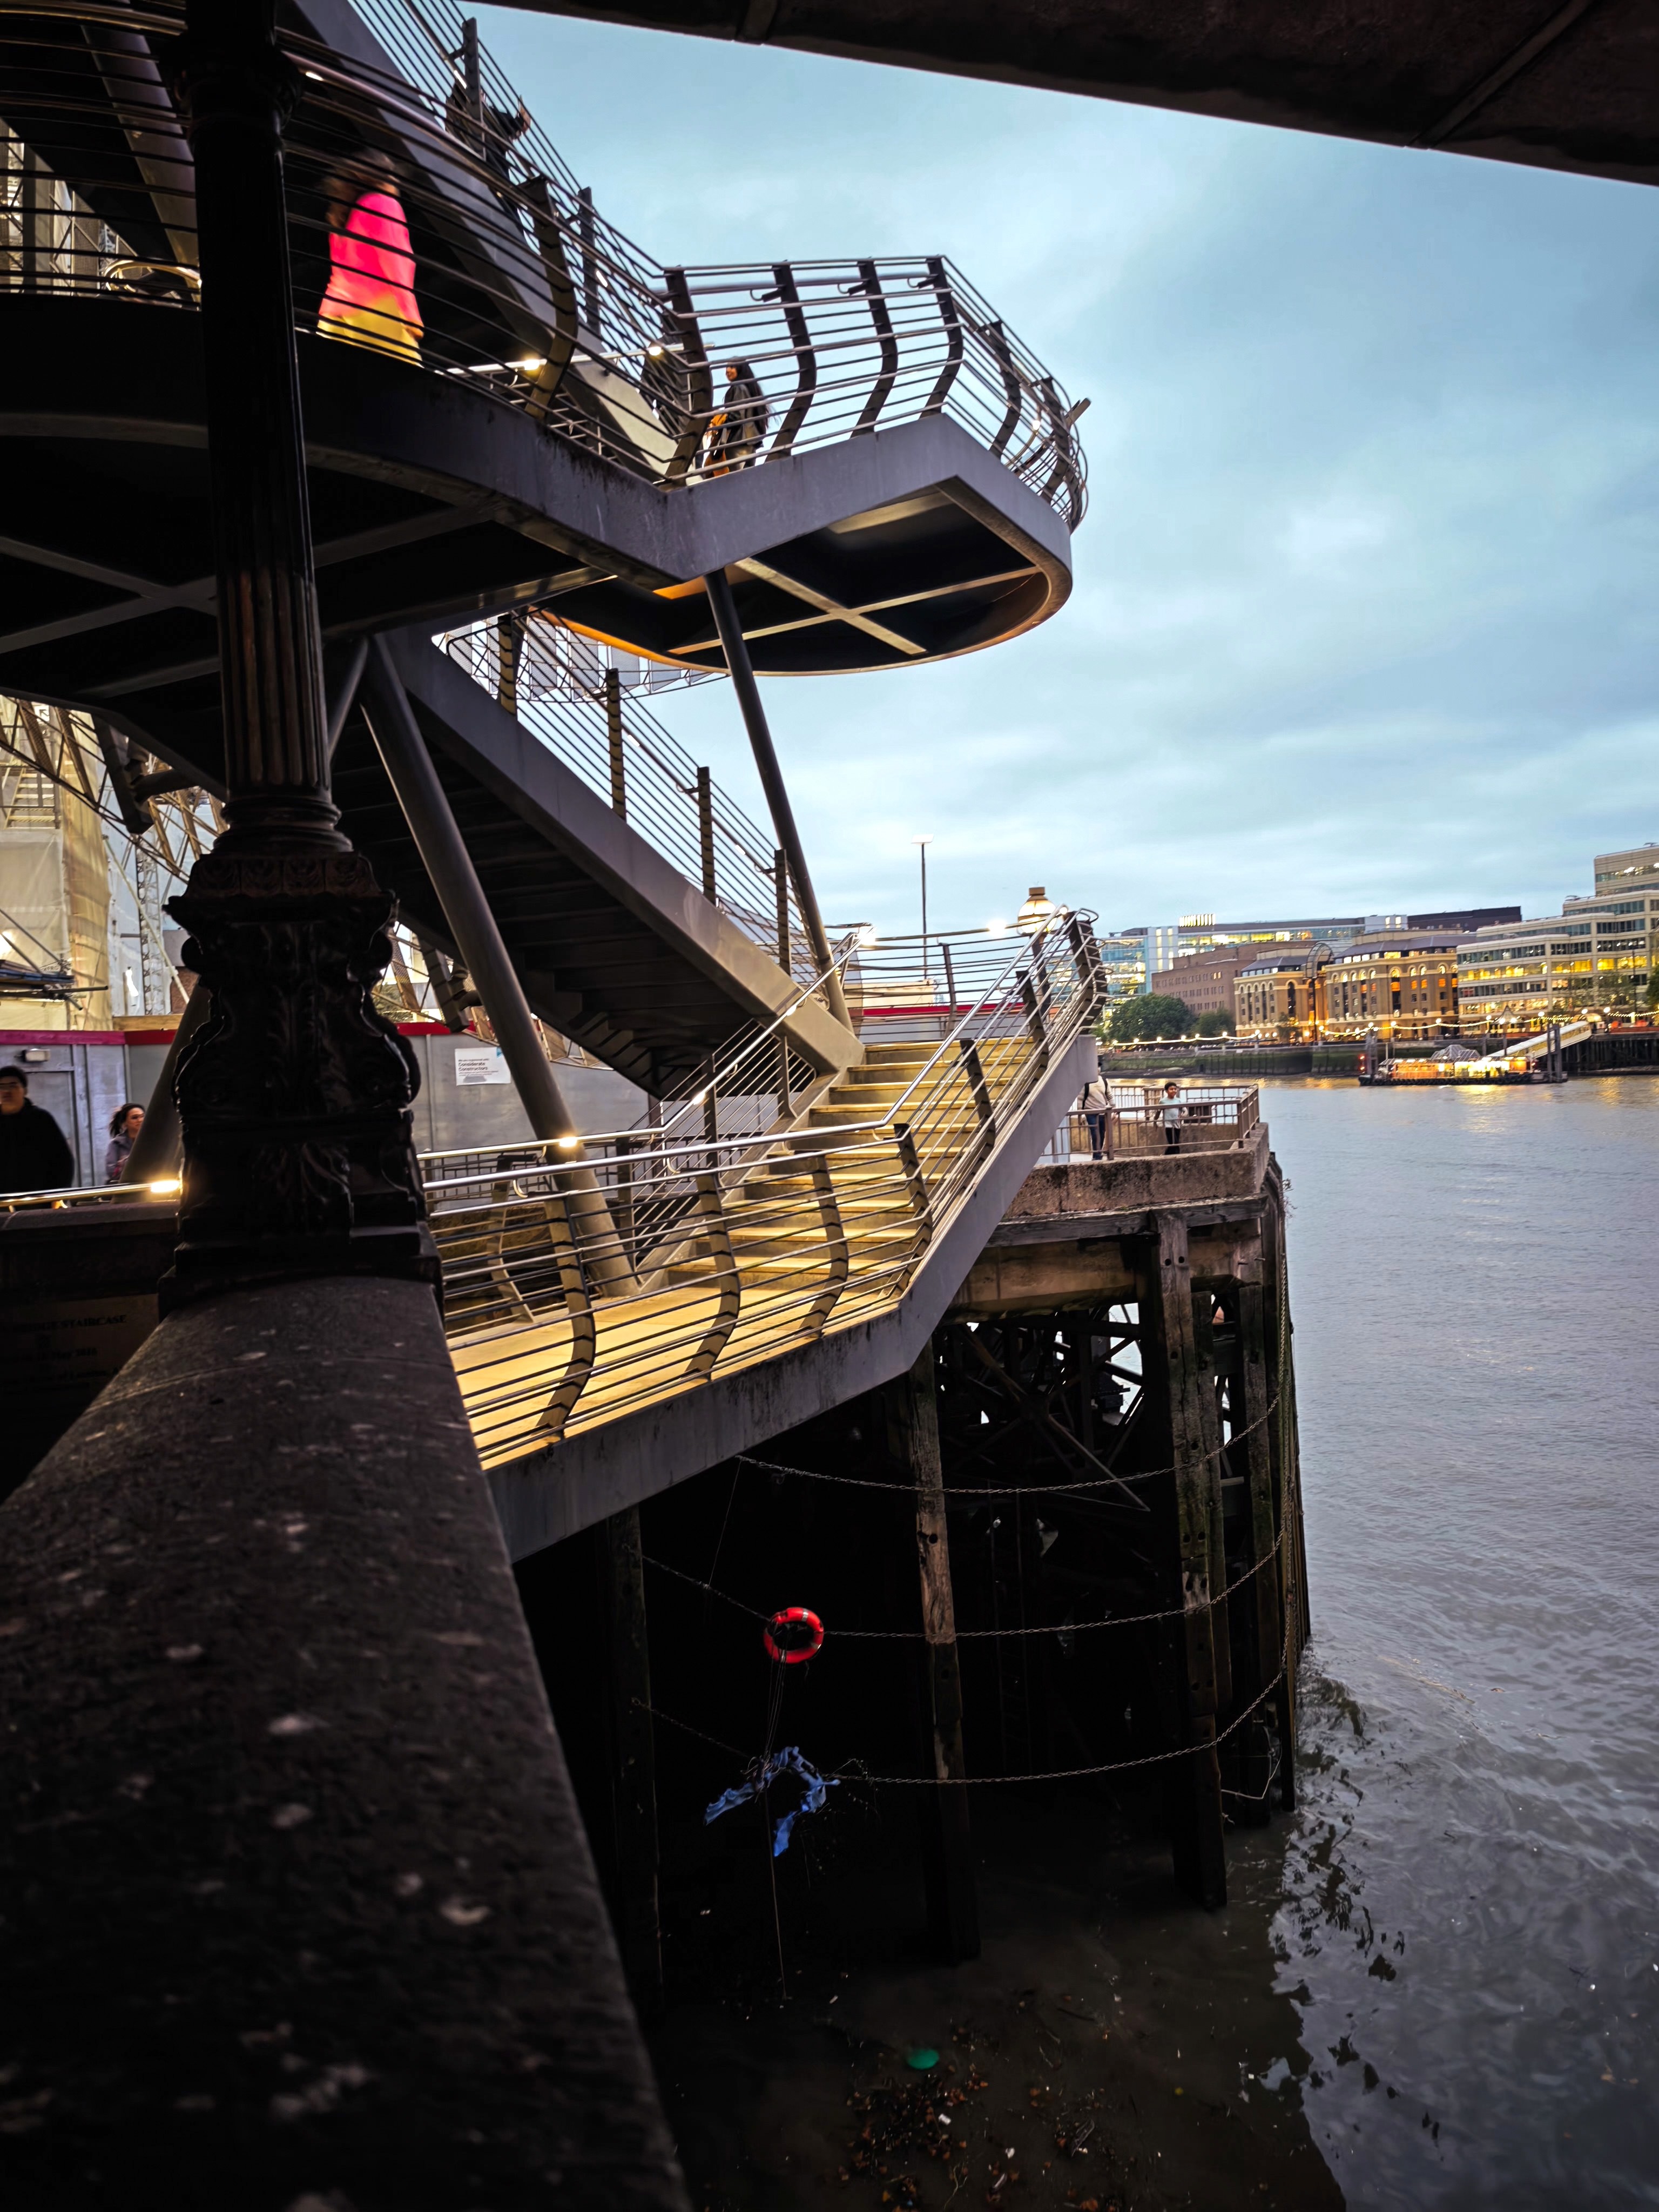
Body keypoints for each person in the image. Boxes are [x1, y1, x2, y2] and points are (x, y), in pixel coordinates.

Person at [317, 157, 423, 366]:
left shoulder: (343, 217)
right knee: (408, 377)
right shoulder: (382, 203)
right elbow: (395, 259)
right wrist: (409, 312)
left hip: (333, 312)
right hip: (375, 307)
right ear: (382, 180)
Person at [0, 1064, 76, 1194]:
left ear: (25, 1091)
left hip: (38, 1199)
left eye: (13, 1086)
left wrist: (57, 1196)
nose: (7, 1091)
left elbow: (63, 1161)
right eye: (2, 1087)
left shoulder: (40, 1119)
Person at [704, 360, 768, 474]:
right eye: (727, 368)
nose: (727, 370)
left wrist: (720, 424)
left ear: (740, 370)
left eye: (732, 367)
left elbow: (737, 415)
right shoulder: (746, 389)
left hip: (739, 440)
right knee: (746, 477)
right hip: (749, 441)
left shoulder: (739, 387)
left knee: (733, 476)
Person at [105, 1100, 144, 1184]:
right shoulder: (116, 1144)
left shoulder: (153, 1139)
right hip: (127, 1186)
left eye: (142, 1116)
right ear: (125, 1123)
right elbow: (112, 1173)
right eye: (135, 1118)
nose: (140, 1120)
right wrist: (127, 1162)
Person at [1080, 1068, 1109, 1160]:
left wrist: (1113, 1108)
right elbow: (1080, 1099)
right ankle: (1097, 1155)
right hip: (1090, 1112)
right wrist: (1080, 1113)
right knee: (1095, 1133)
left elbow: (1109, 1095)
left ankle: (1098, 1152)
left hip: (1102, 1112)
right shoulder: (1086, 1083)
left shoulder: (1104, 1081)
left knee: (1102, 1133)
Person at [1161, 1080, 1184, 1154]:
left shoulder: (1179, 1101)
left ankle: (1166, 1156)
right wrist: (1155, 1121)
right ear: (1166, 1091)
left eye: (1175, 1089)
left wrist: (1182, 1116)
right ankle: (1177, 1156)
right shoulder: (1163, 1101)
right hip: (1168, 1125)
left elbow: (1185, 1111)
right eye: (1171, 1089)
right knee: (1174, 1143)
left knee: (1174, 1143)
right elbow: (1158, 1111)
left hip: (1177, 1124)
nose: (1174, 1091)